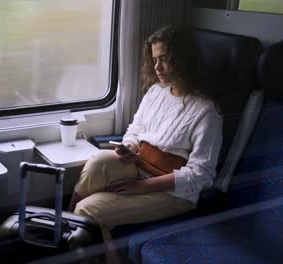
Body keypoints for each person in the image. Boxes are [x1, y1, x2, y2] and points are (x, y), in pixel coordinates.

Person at [68, 25, 223, 241]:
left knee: (88, 210)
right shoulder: (156, 91)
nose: (157, 67)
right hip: (139, 166)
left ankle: (79, 238)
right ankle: (65, 227)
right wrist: (129, 147)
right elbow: (134, 130)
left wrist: (142, 187)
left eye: (164, 59)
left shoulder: (206, 111)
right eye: (154, 59)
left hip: (174, 193)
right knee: (97, 163)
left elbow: (201, 174)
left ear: (184, 59)